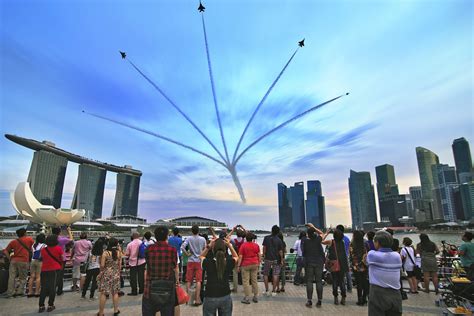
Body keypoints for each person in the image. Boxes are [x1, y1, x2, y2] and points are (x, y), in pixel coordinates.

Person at [142, 225, 179, 316]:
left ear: (155, 236)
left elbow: (148, 264)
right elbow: (174, 267)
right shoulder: (172, 250)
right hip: (167, 289)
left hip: (150, 288)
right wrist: (177, 281)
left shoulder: (148, 249)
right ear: (167, 236)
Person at [366, 230, 402, 316]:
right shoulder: (397, 256)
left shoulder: (372, 255)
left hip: (378, 293)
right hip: (395, 293)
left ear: (377, 243)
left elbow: (366, 262)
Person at [200, 236, 239, 316]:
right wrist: (229, 245)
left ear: (213, 250)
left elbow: (201, 256)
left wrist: (209, 246)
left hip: (210, 295)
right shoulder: (229, 262)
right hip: (225, 295)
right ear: (225, 250)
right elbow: (236, 257)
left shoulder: (208, 262)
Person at [1, 228, 34, 298]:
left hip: (14, 261)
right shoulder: (29, 240)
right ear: (25, 233)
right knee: (23, 277)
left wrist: (10, 258)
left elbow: (5, 251)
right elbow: (31, 249)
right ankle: (20, 292)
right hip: (23, 261)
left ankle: (10, 293)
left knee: (11, 277)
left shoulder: (13, 241)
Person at [302, 226, 327, 308]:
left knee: (309, 281)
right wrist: (314, 228)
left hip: (309, 262)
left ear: (308, 234)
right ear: (314, 233)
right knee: (319, 281)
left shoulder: (305, 241)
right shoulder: (318, 239)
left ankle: (309, 300)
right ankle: (319, 301)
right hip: (319, 262)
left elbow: (304, 252)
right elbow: (322, 233)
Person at [181, 224, 206, 305]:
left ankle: (187, 299)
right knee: (198, 281)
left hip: (190, 261)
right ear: (198, 231)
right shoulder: (202, 239)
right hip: (199, 261)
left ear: (192, 231)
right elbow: (206, 249)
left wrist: (187, 254)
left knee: (189, 280)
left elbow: (182, 247)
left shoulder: (189, 238)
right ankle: (197, 299)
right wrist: (201, 255)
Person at [38, 234, 64, 313]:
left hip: (44, 270)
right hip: (54, 270)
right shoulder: (58, 249)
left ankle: (41, 306)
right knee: (52, 288)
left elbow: (41, 258)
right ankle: (50, 305)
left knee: (43, 288)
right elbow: (62, 258)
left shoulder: (43, 250)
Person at [97, 238, 121, 316]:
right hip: (116, 274)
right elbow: (119, 266)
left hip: (107, 274)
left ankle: (101, 313)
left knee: (104, 293)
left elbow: (102, 265)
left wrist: (102, 271)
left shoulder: (105, 253)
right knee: (115, 293)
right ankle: (116, 310)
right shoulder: (119, 253)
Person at [324, 228, 349, 305]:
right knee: (342, 281)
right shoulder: (342, 242)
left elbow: (320, 241)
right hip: (343, 264)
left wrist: (326, 233)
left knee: (335, 280)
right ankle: (343, 297)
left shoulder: (331, 242)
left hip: (334, 265)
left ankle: (336, 298)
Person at [237, 232, 260, 304]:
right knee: (254, 280)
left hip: (245, 264)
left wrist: (238, 266)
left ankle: (247, 298)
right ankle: (255, 296)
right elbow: (259, 255)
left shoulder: (243, 245)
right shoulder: (256, 245)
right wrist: (259, 262)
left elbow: (240, 256)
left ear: (246, 238)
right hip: (255, 263)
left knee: (246, 281)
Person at [262, 225, 284, 297]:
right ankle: (274, 291)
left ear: (271, 230)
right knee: (275, 275)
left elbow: (264, 248)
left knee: (265, 274)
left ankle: (267, 290)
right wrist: (282, 260)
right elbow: (280, 251)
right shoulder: (279, 240)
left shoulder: (266, 238)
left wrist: (264, 255)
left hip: (267, 259)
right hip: (276, 259)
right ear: (278, 232)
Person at [51, 226, 73, 296]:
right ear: (59, 232)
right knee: (60, 275)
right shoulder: (61, 239)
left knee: (52, 274)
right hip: (61, 259)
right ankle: (59, 290)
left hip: (52, 258)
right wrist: (69, 231)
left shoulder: (49, 239)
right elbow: (71, 239)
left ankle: (52, 290)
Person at [350, 230, 369, 306]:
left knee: (359, 283)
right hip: (364, 265)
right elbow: (368, 254)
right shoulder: (365, 244)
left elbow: (351, 256)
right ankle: (365, 298)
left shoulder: (352, 244)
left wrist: (353, 264)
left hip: (356, 266)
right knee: (365, 282)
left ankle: (360, 299)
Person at [27, 233, 46, 298]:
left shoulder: (33, 245)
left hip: (32, 261)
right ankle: (37, 292)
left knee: (32, 276)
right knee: (38, 277)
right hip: (40, 261)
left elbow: (32, 253)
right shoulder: (44, 245)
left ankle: (30, 292)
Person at [336, 224, 352, 293]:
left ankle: (342, 287)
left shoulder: (338, 238)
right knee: (348, 272)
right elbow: (349, 248)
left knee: (340, 273)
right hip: (347, 256)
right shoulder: (347, 238)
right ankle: (349, 287)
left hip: (340, 257)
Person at [231, 226, 246, 292]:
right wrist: (243, 228)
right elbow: (247, 233)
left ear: (236, 234)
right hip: (242, 258)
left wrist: (232, 230)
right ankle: (245, 288)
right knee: (244, 274)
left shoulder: (233, 240)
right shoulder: (244, 240)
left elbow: (226, 237)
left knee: (235, 273)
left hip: (235, 257)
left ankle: (235, 288)